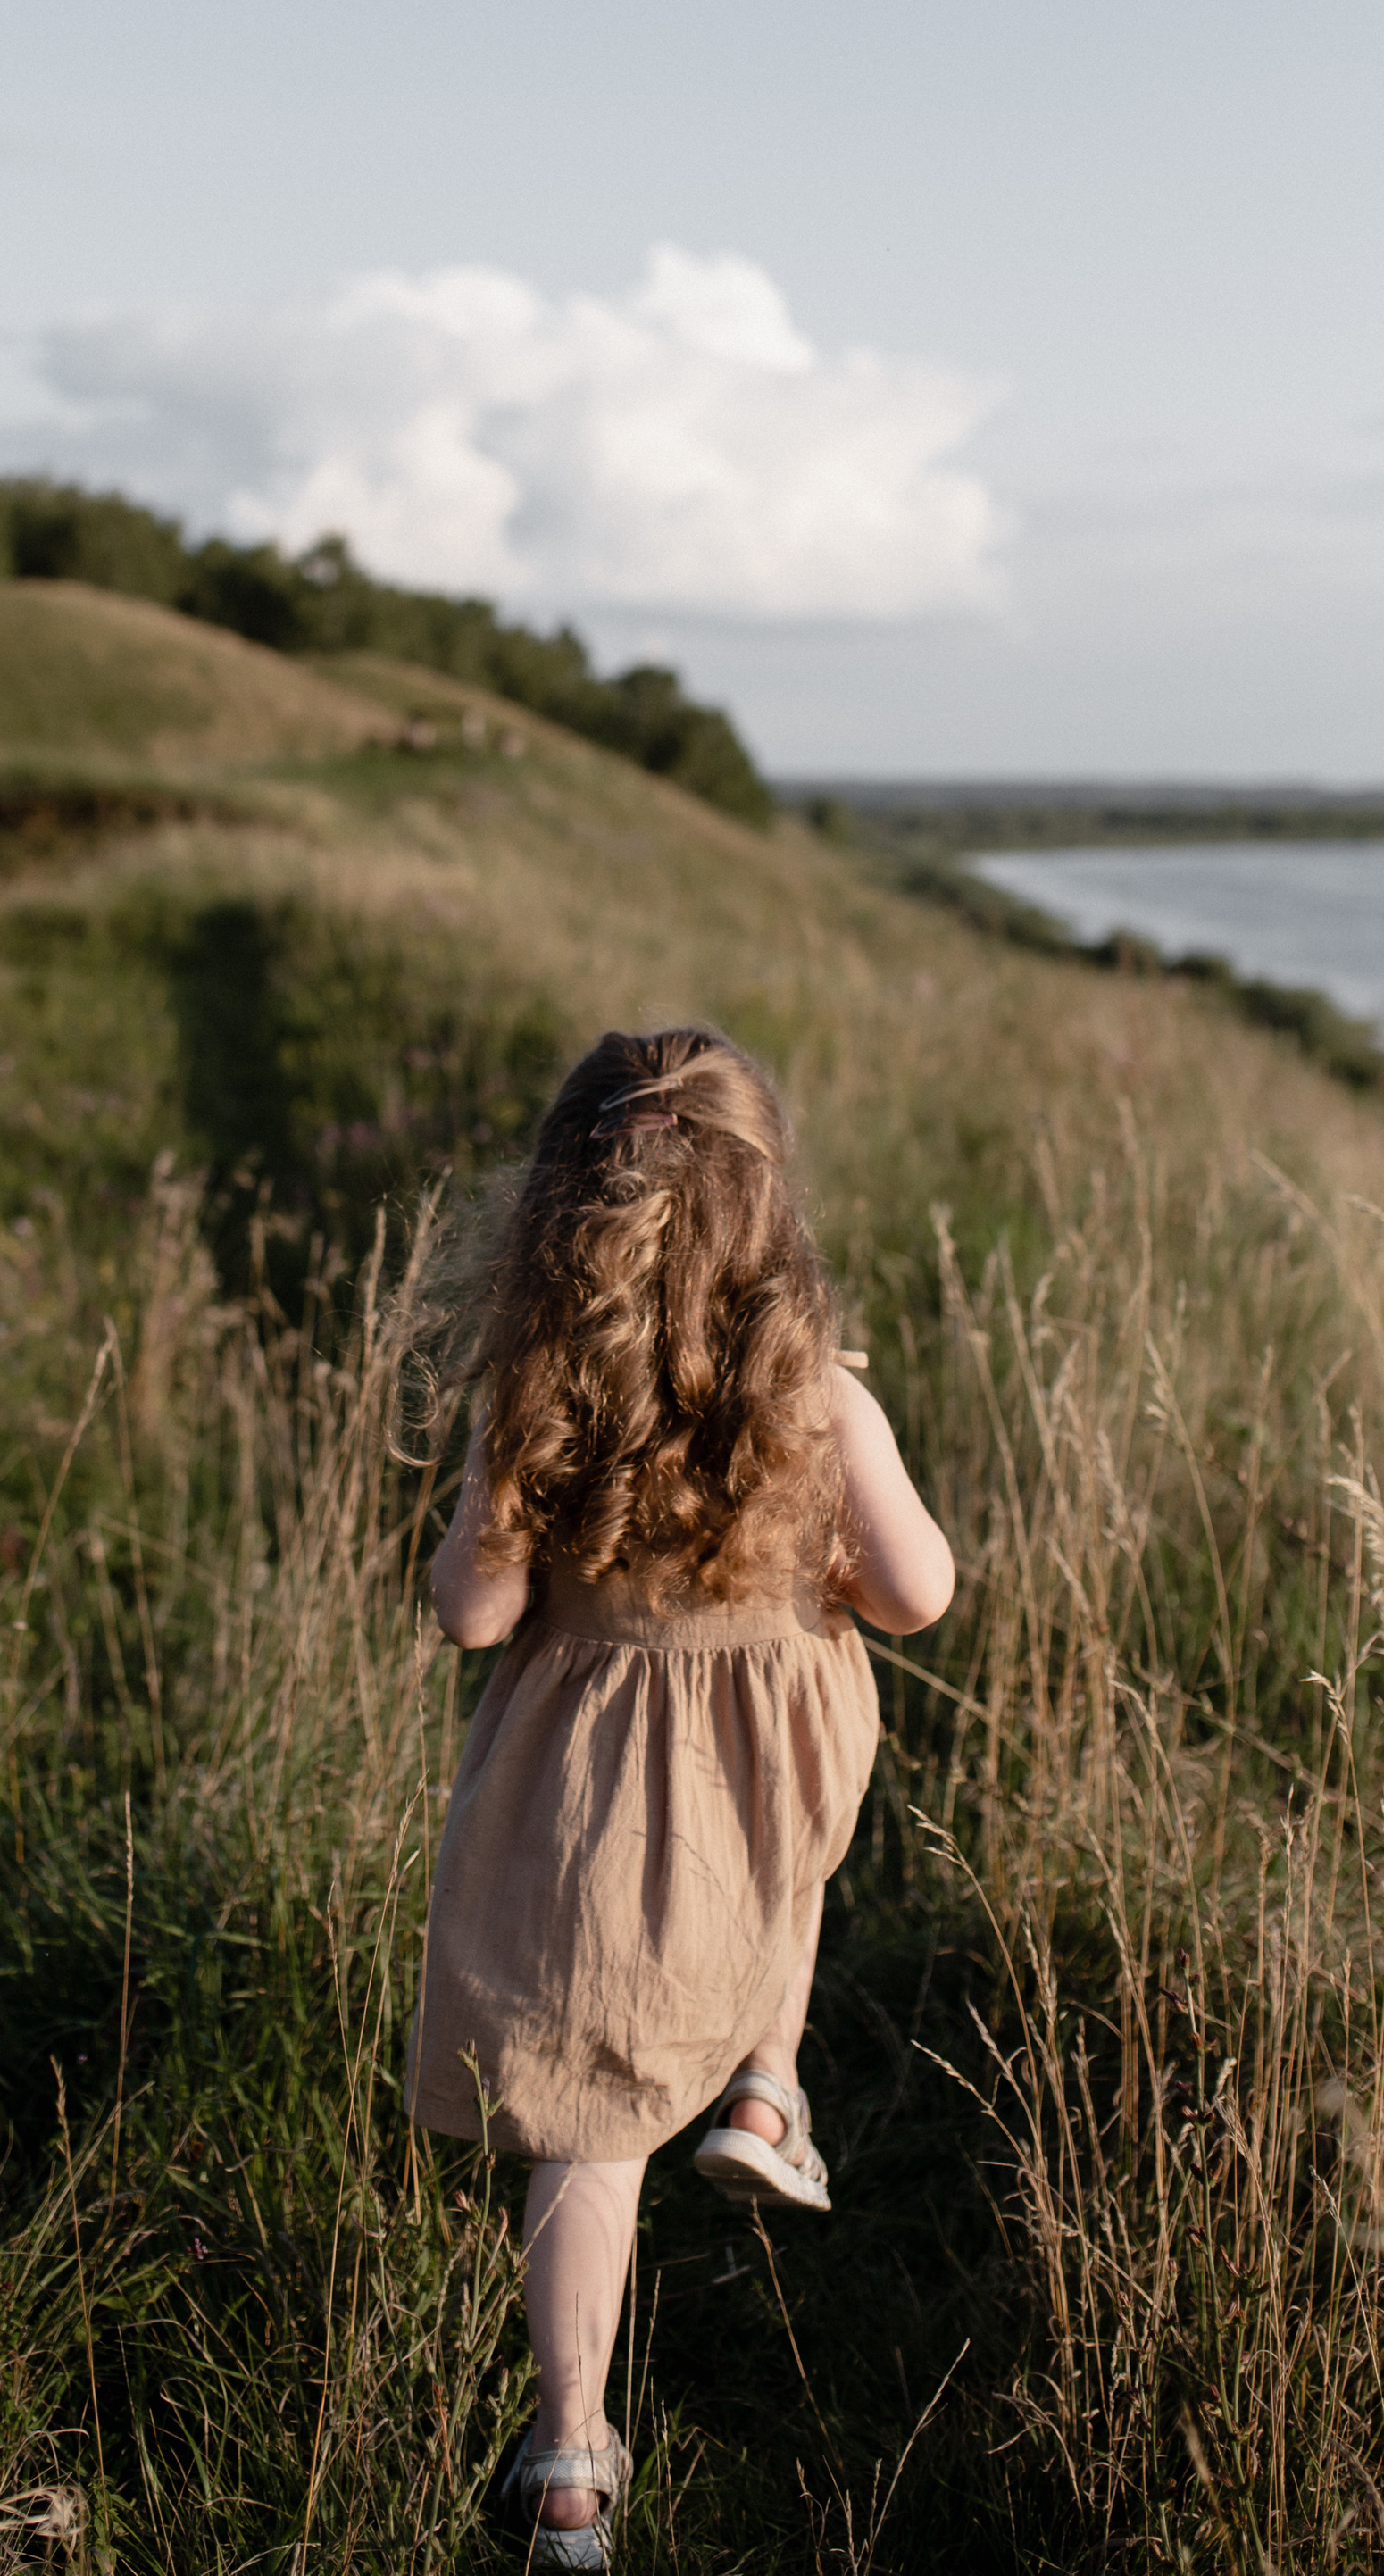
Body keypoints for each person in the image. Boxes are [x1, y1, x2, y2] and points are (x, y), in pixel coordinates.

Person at [408, 1026, 955, 2571]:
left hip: (590, 1789)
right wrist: (822, 1568)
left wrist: (493, 1525)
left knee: (591, 2125)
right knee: (780, 1879)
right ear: (768, 1211)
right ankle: (767, 2093)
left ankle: (569, 2468)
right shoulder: (819, 1402)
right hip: (770, 1758)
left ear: (558, 1214)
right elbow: (918, 1593)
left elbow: (471, 1616)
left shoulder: (540, 1397)